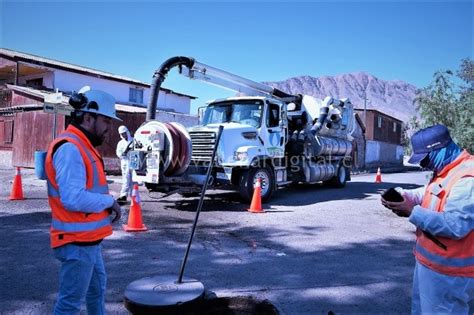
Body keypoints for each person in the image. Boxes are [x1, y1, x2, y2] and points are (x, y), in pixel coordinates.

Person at [45, 86, 122, 315]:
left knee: (97, 290)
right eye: (106, 121)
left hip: (88, 241)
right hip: (76, 242)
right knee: (69, 305)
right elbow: (73, 198)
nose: (110, 128)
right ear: (89, 117)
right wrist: (108, 202)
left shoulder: (83, 145)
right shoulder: (70, 149)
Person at [381, 124, 473, 314]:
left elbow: (455, 225)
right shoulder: (448, 170)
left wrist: (412, 211)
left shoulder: (467, 178)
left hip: (449, 275)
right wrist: (404, 195)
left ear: (440, 149)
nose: (424, 165)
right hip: (431, 265)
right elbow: (430, 193)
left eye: (425, 159)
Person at [116, 125, 133, 204]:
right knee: (126, 179)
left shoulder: (133, 141)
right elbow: (118, 153)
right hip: (125, 163)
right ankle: (124, 195)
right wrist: (124, 153)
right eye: (122, 134)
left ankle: (131, 195)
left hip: (132, 163)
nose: (123, 135)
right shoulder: (120, 143)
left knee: (133, 180)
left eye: (124, 133)